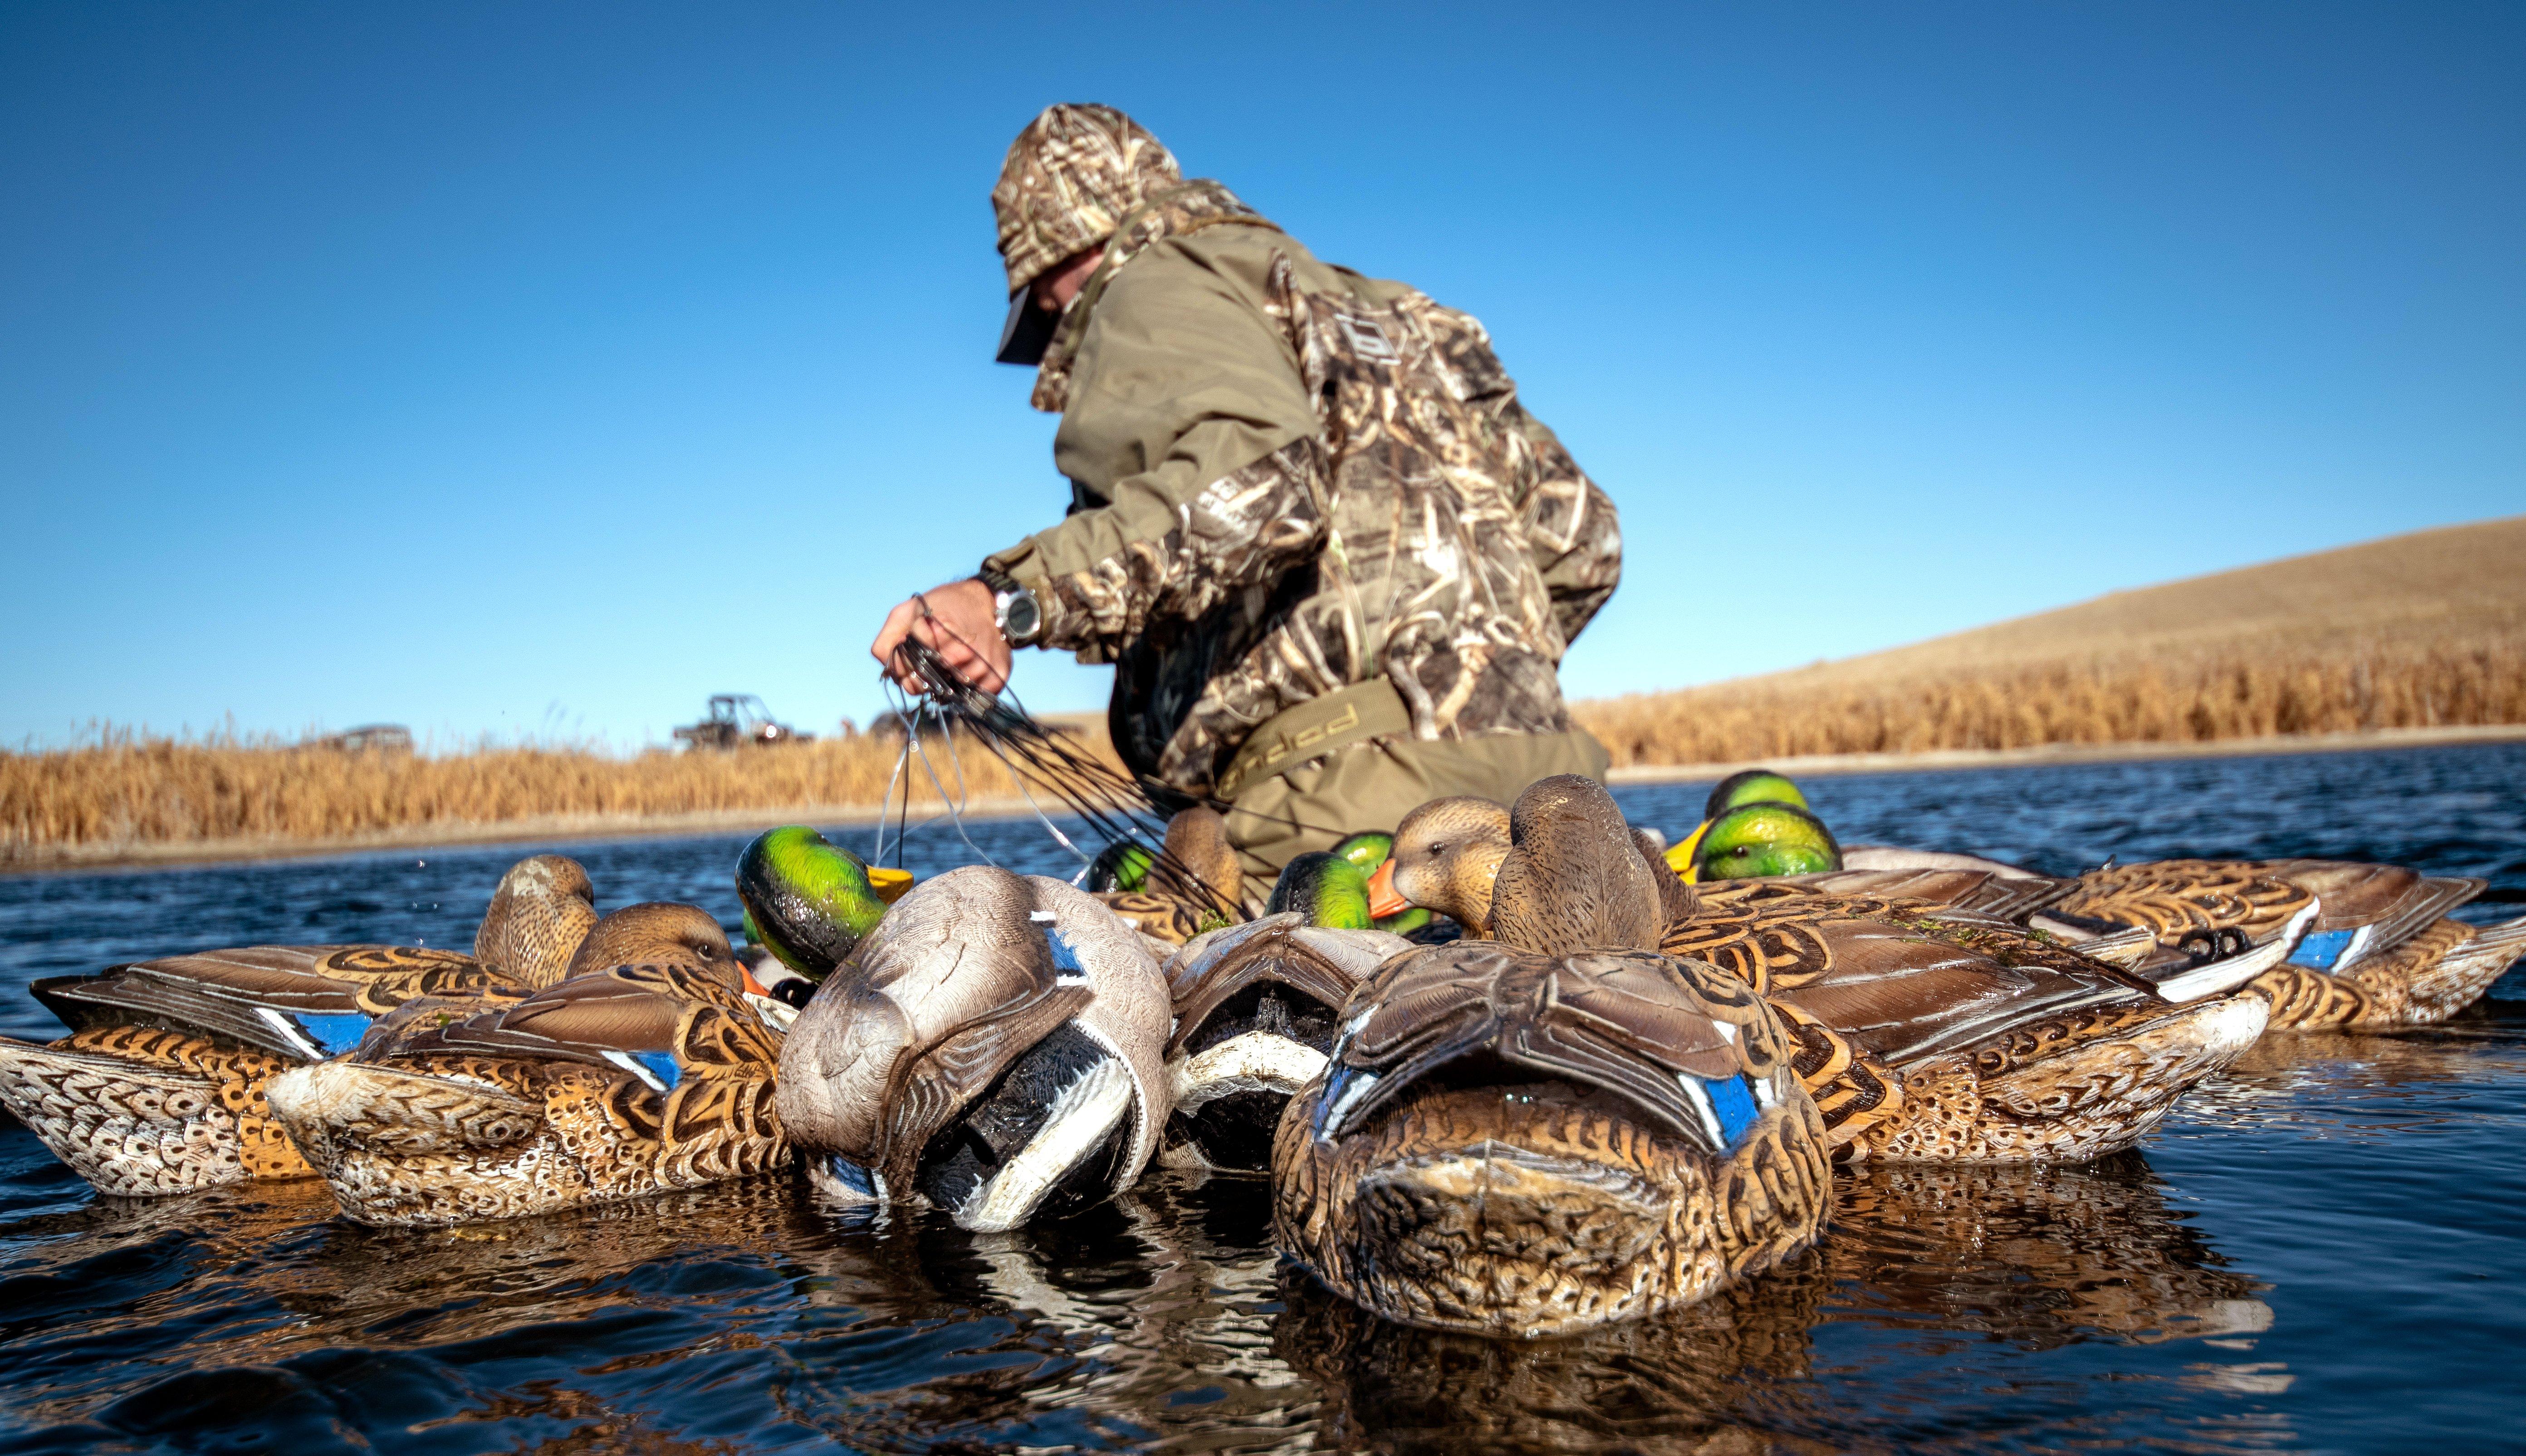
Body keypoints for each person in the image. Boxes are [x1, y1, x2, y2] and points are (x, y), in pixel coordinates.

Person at [870, 103, 1621, 898]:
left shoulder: (1148, 285)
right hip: (1559, 801)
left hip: (1349, 819)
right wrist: (1475, 679)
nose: (1050, 319)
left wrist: (1011, 599)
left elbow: (1265, 488)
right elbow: (1584, 540)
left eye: (1042, 297)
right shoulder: (1401, 316)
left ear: (1069, 240)